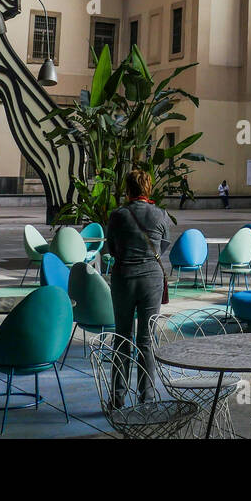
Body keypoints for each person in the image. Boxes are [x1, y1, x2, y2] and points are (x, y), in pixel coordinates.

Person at [105, 168, 171, 403]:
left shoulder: (118, 215)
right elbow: (164, 245)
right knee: (146, 340)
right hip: (151, 280)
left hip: (124, 277)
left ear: (128, 189)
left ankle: (118, 397)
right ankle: (147, 396)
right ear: (148, 188)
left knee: (122, 337)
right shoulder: (161, 214)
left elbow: (111, 249)